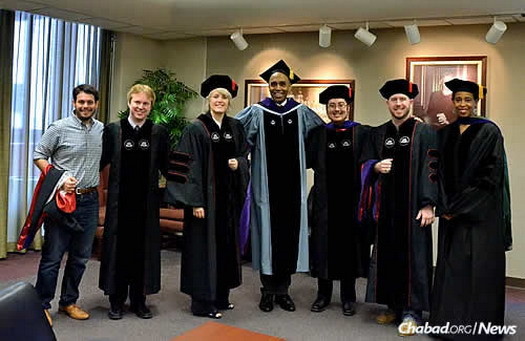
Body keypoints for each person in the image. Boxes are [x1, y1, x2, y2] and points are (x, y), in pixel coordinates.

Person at [236, 60, 323, 312]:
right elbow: (234, 132)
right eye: (273, 84)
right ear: (268, 86)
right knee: (267, 235)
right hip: (266, 187)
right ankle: (267, 291)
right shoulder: (257, 112)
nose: (277, 88)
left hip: (292, 186)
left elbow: (320, 137)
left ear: (290, 86)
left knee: (288, 235)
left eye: (282, 83)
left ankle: (283, 291)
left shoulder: (301, 112)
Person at [430, 79, 511, 340]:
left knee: (478, 268)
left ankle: (478, 330)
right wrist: (444, 206)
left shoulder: (489, 132)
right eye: (458, 99)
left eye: (468, 99)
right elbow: (437, 172)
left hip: (480, 215)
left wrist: (460, 207)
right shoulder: (445, 133)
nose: (463, 104)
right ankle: (447, 324)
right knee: (452, 268)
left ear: (476, 102)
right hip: (451, 213)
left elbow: (491, 175)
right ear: (452, 102)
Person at [165, 75, 249, 319]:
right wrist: (195, 202)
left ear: (229, 101)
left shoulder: (235, 127)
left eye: (224, 97)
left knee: (224, 248)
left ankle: (221, 297)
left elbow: (245, 155)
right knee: (203, 251)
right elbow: (186, 167)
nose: (220, 100)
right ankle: (202, 303)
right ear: (208, 100)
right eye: (215, 96)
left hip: (228, 202)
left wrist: (239, 164)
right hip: (204, 203)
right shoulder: (196, 129)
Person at [360, 79, 438, 336]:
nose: (398, 103)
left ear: (411, 102)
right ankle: (393, 306)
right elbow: (365, 161)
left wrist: (429, 205)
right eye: (394, 100)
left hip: (413, 208)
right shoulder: (379, 133)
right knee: (387, 255)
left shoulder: (424, 132)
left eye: (402, 99)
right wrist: (374, 166)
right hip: (386, 209)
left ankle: (412, 311)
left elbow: (433, 169)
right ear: (387, 103)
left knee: (413, 257)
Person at [33, 84, 103, 323]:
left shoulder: (101, 130)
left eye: (90, 102)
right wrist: (60, 178)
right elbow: (39, 155)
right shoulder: (59, 128)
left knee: (81, 257)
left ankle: (68, 302)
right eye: (81, 102)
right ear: (74, 103)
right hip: (61, 201)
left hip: (90, 200)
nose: (85, 106)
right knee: (53, 257)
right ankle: (41, 305)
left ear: (96, 104)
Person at [98, 84, 169, 320]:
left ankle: (139, 301)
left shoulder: (158, 133)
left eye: (145, 103)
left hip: (146, 206)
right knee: (119, 251)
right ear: (129, 103)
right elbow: (98, 163)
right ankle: (116, 301)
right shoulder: (114, 131)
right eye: (136, 102)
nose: (140, 107)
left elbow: (169, 167)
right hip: (119, 206)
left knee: (143, 252)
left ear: (151, 106)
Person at [306, 85, 370, 316]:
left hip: (351, 201)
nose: (336, 109)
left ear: (348, 107)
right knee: (323, 247)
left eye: (341, 105)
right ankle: (323, 295)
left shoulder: (361, 133)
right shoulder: (318, 134)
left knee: (348, 249)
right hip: (325, 201)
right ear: (327, 108)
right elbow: (304, 160)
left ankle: (348, 297)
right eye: (332, 105)